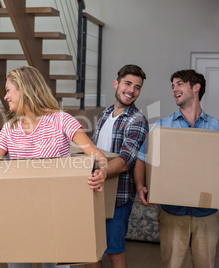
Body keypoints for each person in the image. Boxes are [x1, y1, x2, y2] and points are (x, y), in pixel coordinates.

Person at [0, 65, 108, 268]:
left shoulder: (62, 120)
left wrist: (101, 172)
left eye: (8, 90)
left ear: (24, 89)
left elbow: (97, 156)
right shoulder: (9, 129)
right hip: (18, 212)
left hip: (55, 212)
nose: (5, 97)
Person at [135, 69, 219, 268]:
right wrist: (140, 186)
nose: (174, 89)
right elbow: (141, 158)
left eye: (180, 83)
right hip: (172, 213)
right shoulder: (161, 126)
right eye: (172, 85)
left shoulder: (218, 128)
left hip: (206, 214)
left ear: (196, 88)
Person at [87, 64, 149, 268]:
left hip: (118, 198)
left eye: (137, 87)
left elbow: (126, 161)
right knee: (90, 252)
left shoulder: (137, 119)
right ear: (116, 83)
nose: (132, 90)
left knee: (114, 253)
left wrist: (102, 172)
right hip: (95, 191)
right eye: (128, 83)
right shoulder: (105, 114)